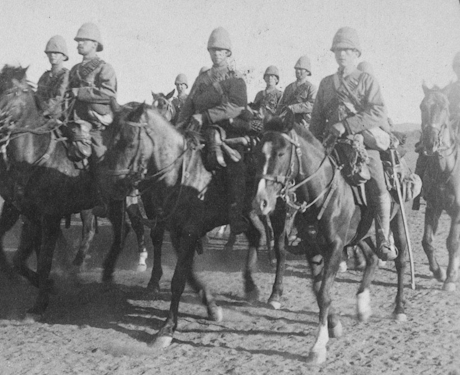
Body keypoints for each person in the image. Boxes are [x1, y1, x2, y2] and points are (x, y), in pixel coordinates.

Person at [309, 26, 397, 261]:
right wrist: (315, 143)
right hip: (332, 145)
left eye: (347, 50)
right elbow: (317, 118)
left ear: (356, 53)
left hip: (362, 145)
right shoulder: (327, 83)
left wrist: (347, 125)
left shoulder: (367, 80)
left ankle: (383, 238)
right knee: (309, 179)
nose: (342, 54)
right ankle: (310, 235)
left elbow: (378, 112)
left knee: (378, 186)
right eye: (338, 50)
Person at [177, 27, 252, 235]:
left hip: (229, 128)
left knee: (234, 164)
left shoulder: (235, 78)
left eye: (220, 50)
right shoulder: (203, 78)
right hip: (199, 128)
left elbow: (237, 105)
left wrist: (206, 116)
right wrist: (178, 125)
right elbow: (189, 103)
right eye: (213, 50)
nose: (216, 54)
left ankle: (236, 214)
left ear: (228, 53)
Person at [67, 22, 117, 215]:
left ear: (94, 44)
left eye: (83, 41)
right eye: (78, 41)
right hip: (72, 121)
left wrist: (80, 92)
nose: (79, 44)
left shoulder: (104, 68)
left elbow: (108, 93)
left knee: (99, 156)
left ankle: (103, 198)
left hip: (96, 123)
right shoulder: (73, 70)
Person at [413, 51, 460, 209]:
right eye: (458, 67)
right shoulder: (450, 88)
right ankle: (418, 194)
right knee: (424, 151)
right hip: (448, 125)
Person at [277, 55, 317, 127]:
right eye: (297, 69)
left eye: (301, 69)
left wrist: (294, 108)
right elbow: (280, 105)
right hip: (286, 122)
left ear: (307, 72)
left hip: (302, 123)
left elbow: (312, 104)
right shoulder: (288, 88)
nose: (298, 71)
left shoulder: (311, 88)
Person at [36, 35, 70, 118]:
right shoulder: (45, 76)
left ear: (64, 56)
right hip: (41, 114)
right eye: (50, 53)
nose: (52, 55)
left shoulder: (65, 75)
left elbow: (58, 98)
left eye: (56, 53)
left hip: (58, 117)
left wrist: (43, 111)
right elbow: (38, 95)